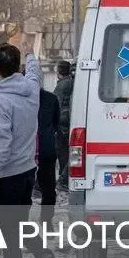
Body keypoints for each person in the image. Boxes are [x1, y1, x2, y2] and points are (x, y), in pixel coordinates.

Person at [0, 36, 67, 258]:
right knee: (18, 225)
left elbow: (1, 141)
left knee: (9, 232)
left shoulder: (0, 104)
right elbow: (34, 72)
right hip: (28, 169)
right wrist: (30, 54)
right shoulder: (30, 89)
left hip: (7, 174)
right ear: (17, 67)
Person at [36, 86, 60, 228]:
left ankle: (46, 220)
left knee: (49, 190)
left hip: (46, 152)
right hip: (22, 153)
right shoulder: (17, 97)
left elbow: (55, 123)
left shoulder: (51, 99)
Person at [53, 60, 73, 189]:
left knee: (63, 153)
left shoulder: (62, 85)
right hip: (68, 121)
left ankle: (62, 180)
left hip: (62, 123)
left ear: (59, 71)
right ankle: (64, 180)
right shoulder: (71, 82)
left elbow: (56, 104)